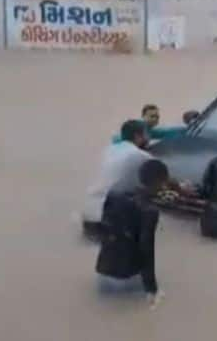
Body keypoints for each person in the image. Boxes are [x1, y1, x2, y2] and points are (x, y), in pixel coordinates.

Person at [95, 159, 168, 308]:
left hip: (102, 274)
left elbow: (103, 228)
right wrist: (152, 289)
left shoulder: (115, 193)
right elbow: (146, 250)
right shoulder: (149, 211)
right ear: (158, 183)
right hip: (126, 281)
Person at [83, 120, 153, 242]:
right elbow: (162, 176)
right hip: (109, 223)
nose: (149, 138)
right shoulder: (139, 155)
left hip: (89, 215)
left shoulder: (109, 149)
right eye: (146, 134)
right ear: (138, 136)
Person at [111, 104, 186, 144]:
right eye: (152, 116)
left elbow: (164, 131)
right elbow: (116, 137)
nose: (155, 119)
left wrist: (185, 128)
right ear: (143, 116)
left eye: (157, 117)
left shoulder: (149, 129)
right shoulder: (139, 127)